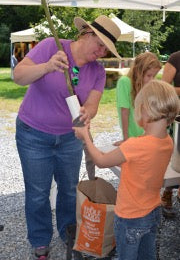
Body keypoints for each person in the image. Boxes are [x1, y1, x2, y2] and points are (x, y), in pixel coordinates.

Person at [13, 15, 121, 259]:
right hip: (33, 134)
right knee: (38, 191)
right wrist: (47, 66)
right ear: (87, 34)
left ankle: (68, 231)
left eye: (107, 49)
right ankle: (40, 239)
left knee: (70, 190)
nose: (102, 52)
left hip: (70, 139)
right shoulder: (52, 46)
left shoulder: (97, 71)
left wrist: (87, 113)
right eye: (101, 44)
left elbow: (93, 104)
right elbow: (18, 76)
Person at [73, 80, 180, 260]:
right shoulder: (167, 141)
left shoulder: (135, 146)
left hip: (130, 218)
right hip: (153, 212)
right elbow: (145, 154)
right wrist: (129, 147)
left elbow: (100, 161)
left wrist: (85, 137)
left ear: (145, 110)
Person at [114, 52, 162, 146]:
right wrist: (125, 139)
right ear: (138, 71)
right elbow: (124, 111)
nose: (152, 79)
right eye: (149, 75)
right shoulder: (124, 82)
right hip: (132, 136)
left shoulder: (148, 85)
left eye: (154, 76)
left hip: (147, 135)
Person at [161, 51, 180, 218]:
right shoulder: (176, 58)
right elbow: (163, 86)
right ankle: (167, 194)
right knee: (176, 156)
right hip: (178, 115)